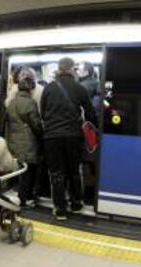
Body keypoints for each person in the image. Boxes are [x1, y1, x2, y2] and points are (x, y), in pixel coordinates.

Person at [41, 57, 98, 220]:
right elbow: (90, 112)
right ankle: (76, 203)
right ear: (72, 69)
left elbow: (43, 112)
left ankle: (60, 209)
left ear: (59, 69)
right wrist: (94, 129)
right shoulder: (79, 88)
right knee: (74, 171)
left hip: (52, 137)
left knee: (57, 174)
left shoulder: (49, 88)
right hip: (73, 136)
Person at [6, 69, 43, 207]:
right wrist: (42, 135)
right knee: (28, 172)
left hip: (14, 141)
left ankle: (21, 195)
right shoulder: (30, 103)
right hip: (28, 142)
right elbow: (36, 124)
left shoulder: (11, 103)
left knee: (21, 169)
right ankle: (24, 198)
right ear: (31, 89)